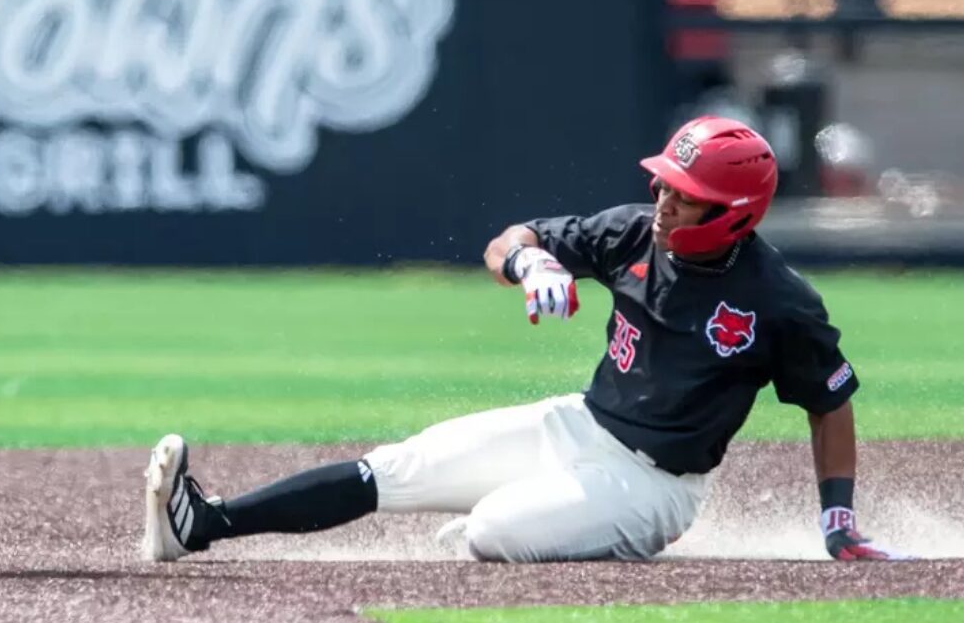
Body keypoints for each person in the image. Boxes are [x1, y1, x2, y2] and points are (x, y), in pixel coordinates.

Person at [141, 117, 909, 564]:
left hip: (654, 486)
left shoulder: (780, 302)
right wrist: (528, 259)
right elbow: (509, 238)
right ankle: (205, 525)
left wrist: (837, 518)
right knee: (396, 468)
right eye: (667, 185)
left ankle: (515, 527)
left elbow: (829, 402)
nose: (666, 202)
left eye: (690, 196)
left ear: (738, 213)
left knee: (493, 529)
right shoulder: (634, 230)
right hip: (578, 423)